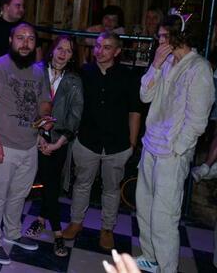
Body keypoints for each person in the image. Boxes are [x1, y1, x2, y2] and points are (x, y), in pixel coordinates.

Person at [134, 14, 214, 273]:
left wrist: (177, 150)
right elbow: (144, 96)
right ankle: (151, 258)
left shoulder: (199, 68)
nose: (159, 40)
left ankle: (168, 268)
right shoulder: (166, 61)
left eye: (162, 36)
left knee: (164, 217)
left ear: (177, 36)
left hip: (172, 153)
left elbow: (197, 122)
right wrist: (155, 65)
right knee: (144, 207)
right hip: (150, 145)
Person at [0, 22, 53, 265]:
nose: (25, 43)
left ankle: (12, 233)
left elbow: (44, 102)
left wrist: (45, 119)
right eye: (20, 38)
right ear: (11, 40)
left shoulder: (38, 71)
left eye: (30, 39)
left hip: (29, 144)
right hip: (3, 143)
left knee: (20, 193)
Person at [62, 32, 141, 250]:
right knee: (81, 184)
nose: (100, 51)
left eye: (107, 47)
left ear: (117, 51)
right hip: (87, 140)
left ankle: (107, 228)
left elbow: (134, 111)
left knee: (111, 188)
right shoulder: (84, 73)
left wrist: (132, 143)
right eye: (98, 46)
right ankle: (76, 222)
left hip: (117, 143)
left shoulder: (128, 76)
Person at [24, 36, 83, 257]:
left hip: (60, 141)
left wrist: (58, 143)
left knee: (51, 184)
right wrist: (38, 136)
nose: (63, 53)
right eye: (60, 48)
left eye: (68, 51)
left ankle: (49, 226)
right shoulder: (36, 71)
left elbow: (75, 116)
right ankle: (51, 228)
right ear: (53, 50)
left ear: (72, 56)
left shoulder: (74, 80)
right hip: (33, 137)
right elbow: (26, 104)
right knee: (47, 183)